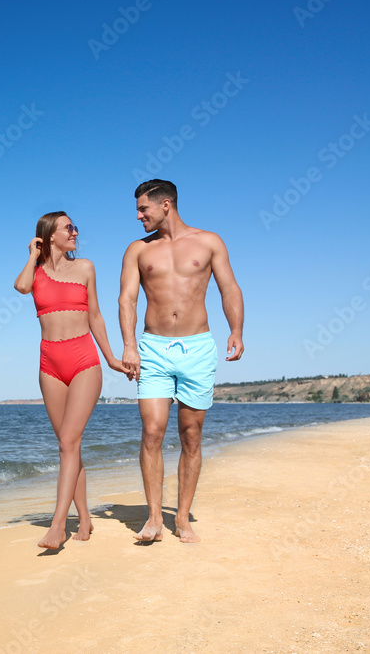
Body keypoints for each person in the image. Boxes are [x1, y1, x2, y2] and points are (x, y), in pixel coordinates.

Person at [118, 179, 244, 543]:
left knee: (191, 433)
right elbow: (127, 299)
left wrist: (236, 330)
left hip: (198, 347)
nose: (138, 215)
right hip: (153, 348)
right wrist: (129, 346)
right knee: (152, 430)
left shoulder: (209, 242)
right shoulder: (137, 250)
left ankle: (183, 517)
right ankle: (155, 517)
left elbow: (229, 287)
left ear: (166, 205)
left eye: (144, 209)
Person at [14, 211, 126, 549]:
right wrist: (33, 255)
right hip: (49, 363)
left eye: (74, 227)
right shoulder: (35, 272)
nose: (75, 232)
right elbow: (20, 287)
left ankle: (57, 526)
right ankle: (86, 518)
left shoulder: (86, 267)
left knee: (67, 443)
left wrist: (111, 358)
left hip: (83, 360)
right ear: (50, 236)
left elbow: (95, 315)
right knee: (68, 445)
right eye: (68, 228)